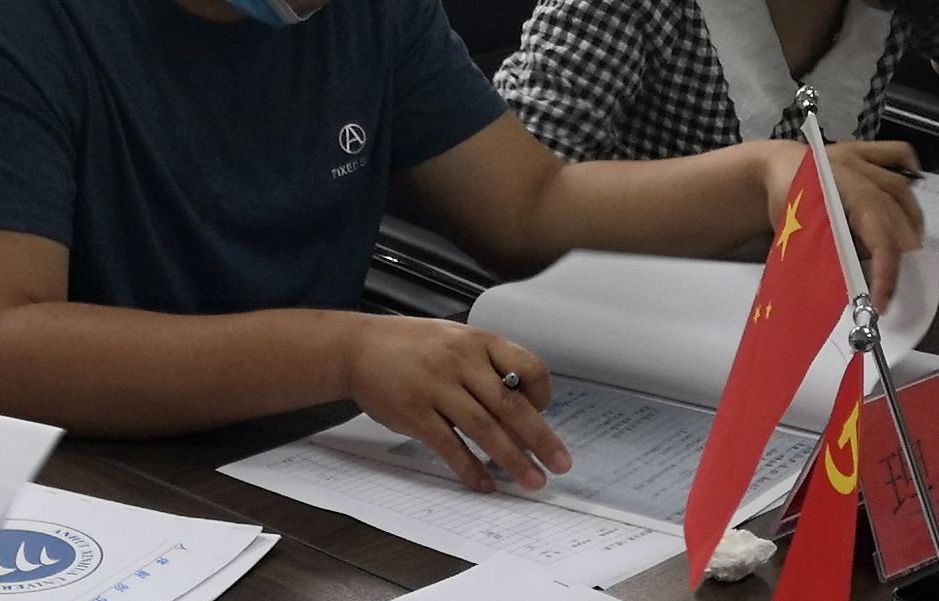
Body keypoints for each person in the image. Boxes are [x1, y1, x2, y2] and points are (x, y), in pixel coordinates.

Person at [0, 0, 922, 497]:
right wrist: (343, 349)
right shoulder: (36, 30)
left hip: (305, 464)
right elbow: (16, 340)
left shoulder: (367, 16)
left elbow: (529, 203)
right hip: (83, 486)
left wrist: (759, 175)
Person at [495, 0, 939, 160]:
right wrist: (749, 187)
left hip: (812, 296)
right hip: (632, 300)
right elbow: (517, 188)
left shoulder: (893, 11)